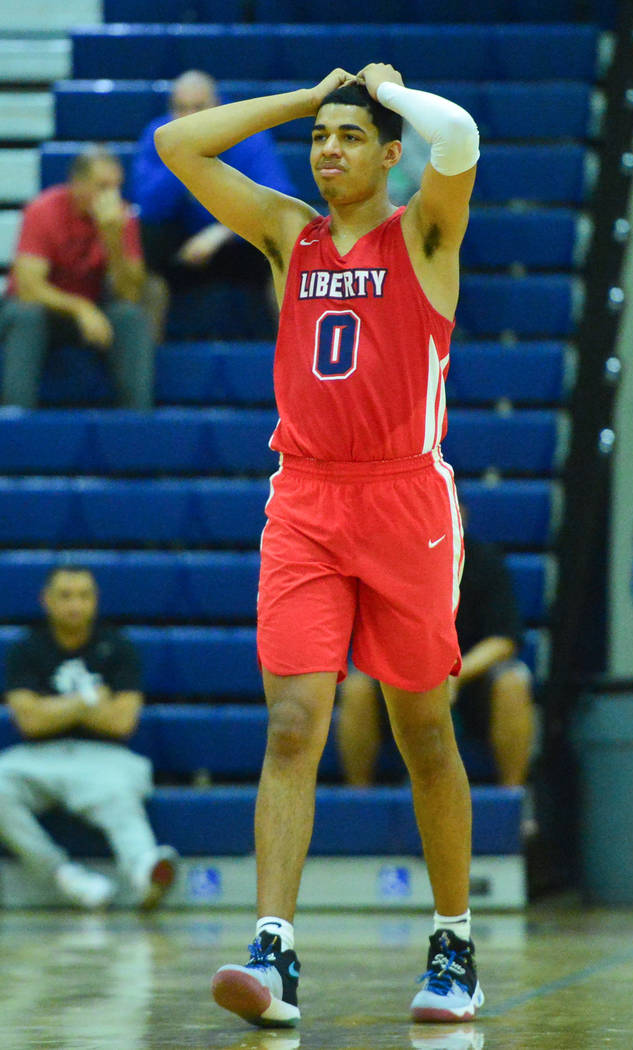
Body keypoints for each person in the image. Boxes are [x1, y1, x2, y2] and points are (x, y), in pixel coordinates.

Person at [155, 62, 482, 1027]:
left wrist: (394, 90)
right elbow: (180, 145)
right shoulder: (288, 234)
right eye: (319, 138)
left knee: (423, 732)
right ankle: (275, 949)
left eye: (348, 137)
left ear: (389, 155)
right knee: (293, 723)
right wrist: (304, 98)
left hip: (405, 501)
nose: (328, 150)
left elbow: (457, 135)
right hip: (303, 499)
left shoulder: (423, 229)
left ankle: (455, 944)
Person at [0, 565, 178, 909]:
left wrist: (54, 708)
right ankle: (63, 875)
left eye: (84, 596)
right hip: (39, 757)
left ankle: (145, 870)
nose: (75, 605)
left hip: (104, 759)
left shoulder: (118, 646)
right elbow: (30, 722)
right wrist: (90, 701)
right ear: (46, 600)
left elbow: (122, 722)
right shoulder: (26, 649)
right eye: (65, 596)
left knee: (120, 794)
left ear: (95, 600)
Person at [337, 527, 536, 790]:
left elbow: (504, 639)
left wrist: (455, 674)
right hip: (400, 673)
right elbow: (371, 634)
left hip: (471, 679)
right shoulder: (387, 559)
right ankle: (358, 801)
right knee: (357, 686)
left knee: (513, 683)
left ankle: (513, 802)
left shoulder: (484, 559)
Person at [130, 70, 296, 340]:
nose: (189, 118)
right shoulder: (159, 134)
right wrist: (183, 157)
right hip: (182, 249)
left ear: (218, 106)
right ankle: (150, 370)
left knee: (284, 247)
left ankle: (298, 364)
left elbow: (280, 198)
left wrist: (222, 232)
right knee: (144, 247)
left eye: (198, 108)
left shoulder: (247, 133)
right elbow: (148, 206)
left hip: (240, 245)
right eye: (180, 109)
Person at [0, 147, 154, 410]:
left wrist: (113, 240)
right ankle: (16, 420)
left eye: (117, 187)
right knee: (27, 316)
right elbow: (28, 288)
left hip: (94, 311)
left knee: (130, 317)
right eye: (103, 187)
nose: (112, 196)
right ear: (77, 184)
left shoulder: (122, 218)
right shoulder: (42, 210)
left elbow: (129, 294)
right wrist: (81, 308)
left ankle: (139, 422)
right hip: (43, 311)